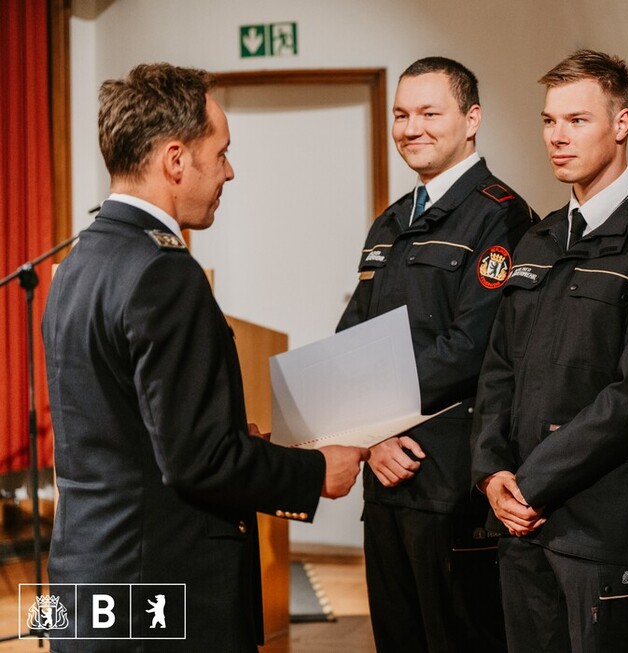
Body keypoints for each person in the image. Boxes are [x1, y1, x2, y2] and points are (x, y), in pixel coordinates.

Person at [41, 63, 368, 652]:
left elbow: (121, 427)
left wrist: (223, 436)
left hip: (85, 576)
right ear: (175, 160)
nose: (229, 171)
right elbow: (196, 461)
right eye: (219, 153)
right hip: (163, 587)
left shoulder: (79, 262)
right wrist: (317, 473)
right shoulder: (164, 272)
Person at [471, 50, 628, 652]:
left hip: (603, 533)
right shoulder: (538, 238)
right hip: (521, 527)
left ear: (621, 124)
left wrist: (529, 482)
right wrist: (492, 473)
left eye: (576, 120)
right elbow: (498, 370)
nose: (557, 138)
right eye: (549, 121)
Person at [336, 57, 536, 653]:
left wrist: (372, 415)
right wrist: (370, 438)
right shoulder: (389, 222)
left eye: (429, 112)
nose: (410, 127)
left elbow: (472, 347)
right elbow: (351, 340)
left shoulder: (500, 213)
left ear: (471, 119)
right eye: (401, 114)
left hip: (452, 484)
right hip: (386, 476)